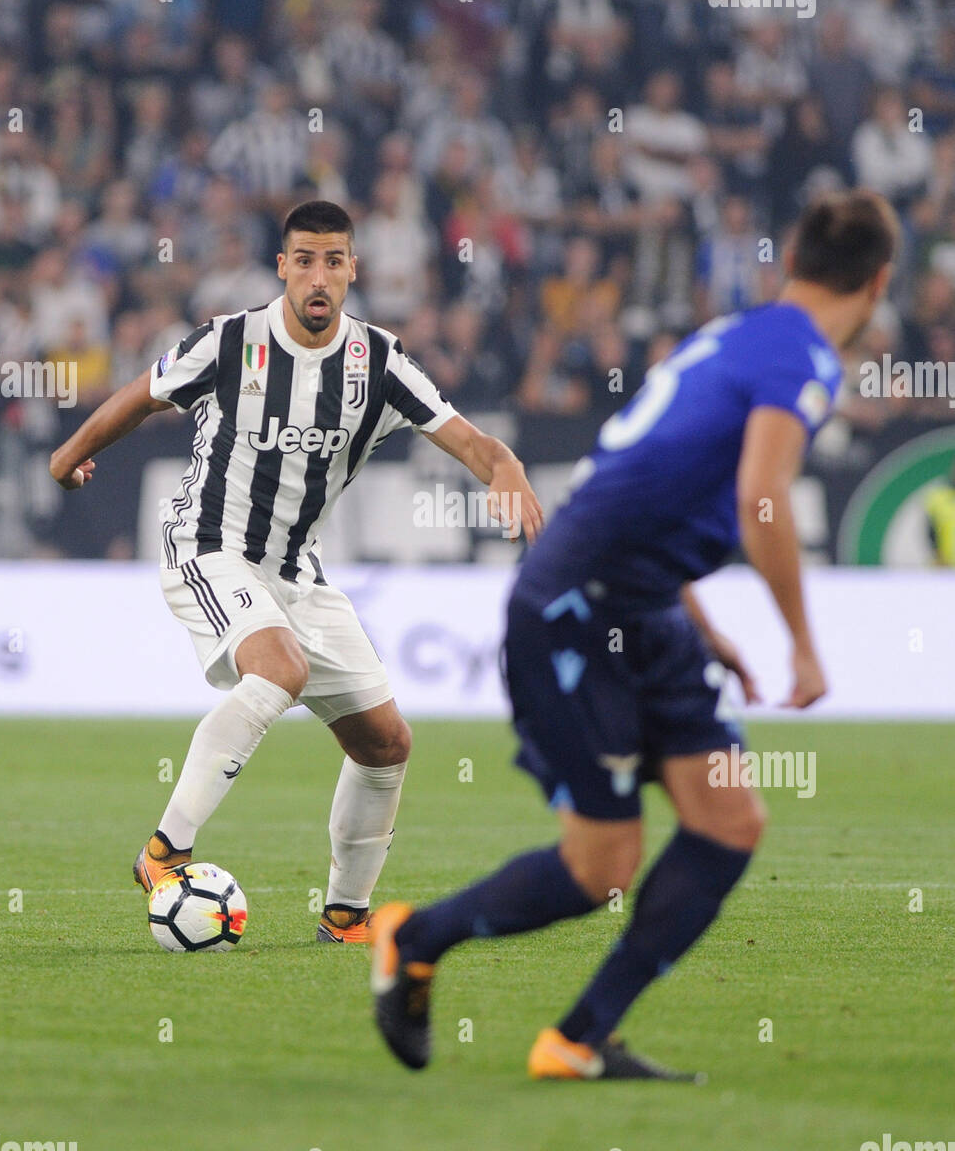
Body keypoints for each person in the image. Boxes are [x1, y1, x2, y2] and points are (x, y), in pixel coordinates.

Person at [371, 190, 898, 1077]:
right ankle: (414, 939)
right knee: (599, 867)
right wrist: (802, 644)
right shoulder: (802, 360)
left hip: (647, 608)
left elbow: (652, 487)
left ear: (793, 260)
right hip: (574, 610)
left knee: (729, 820)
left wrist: (704, 621)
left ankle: (576, 1040)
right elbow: (760, 500)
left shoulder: (735, 334)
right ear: (879, 281)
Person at [49, 200, 543, 944]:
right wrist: (69, 453)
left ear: (352, 269)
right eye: (304, 260)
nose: (318, 276)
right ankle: (164, 852)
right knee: (277, 667)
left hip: (294, 572)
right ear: (282, 266)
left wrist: (506, 469)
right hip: (207, 545)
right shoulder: (230, 341)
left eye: (333, 261)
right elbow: (142, 396)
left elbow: (469, 441)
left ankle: (345, 917)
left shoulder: (379, 361)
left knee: (385, 743)